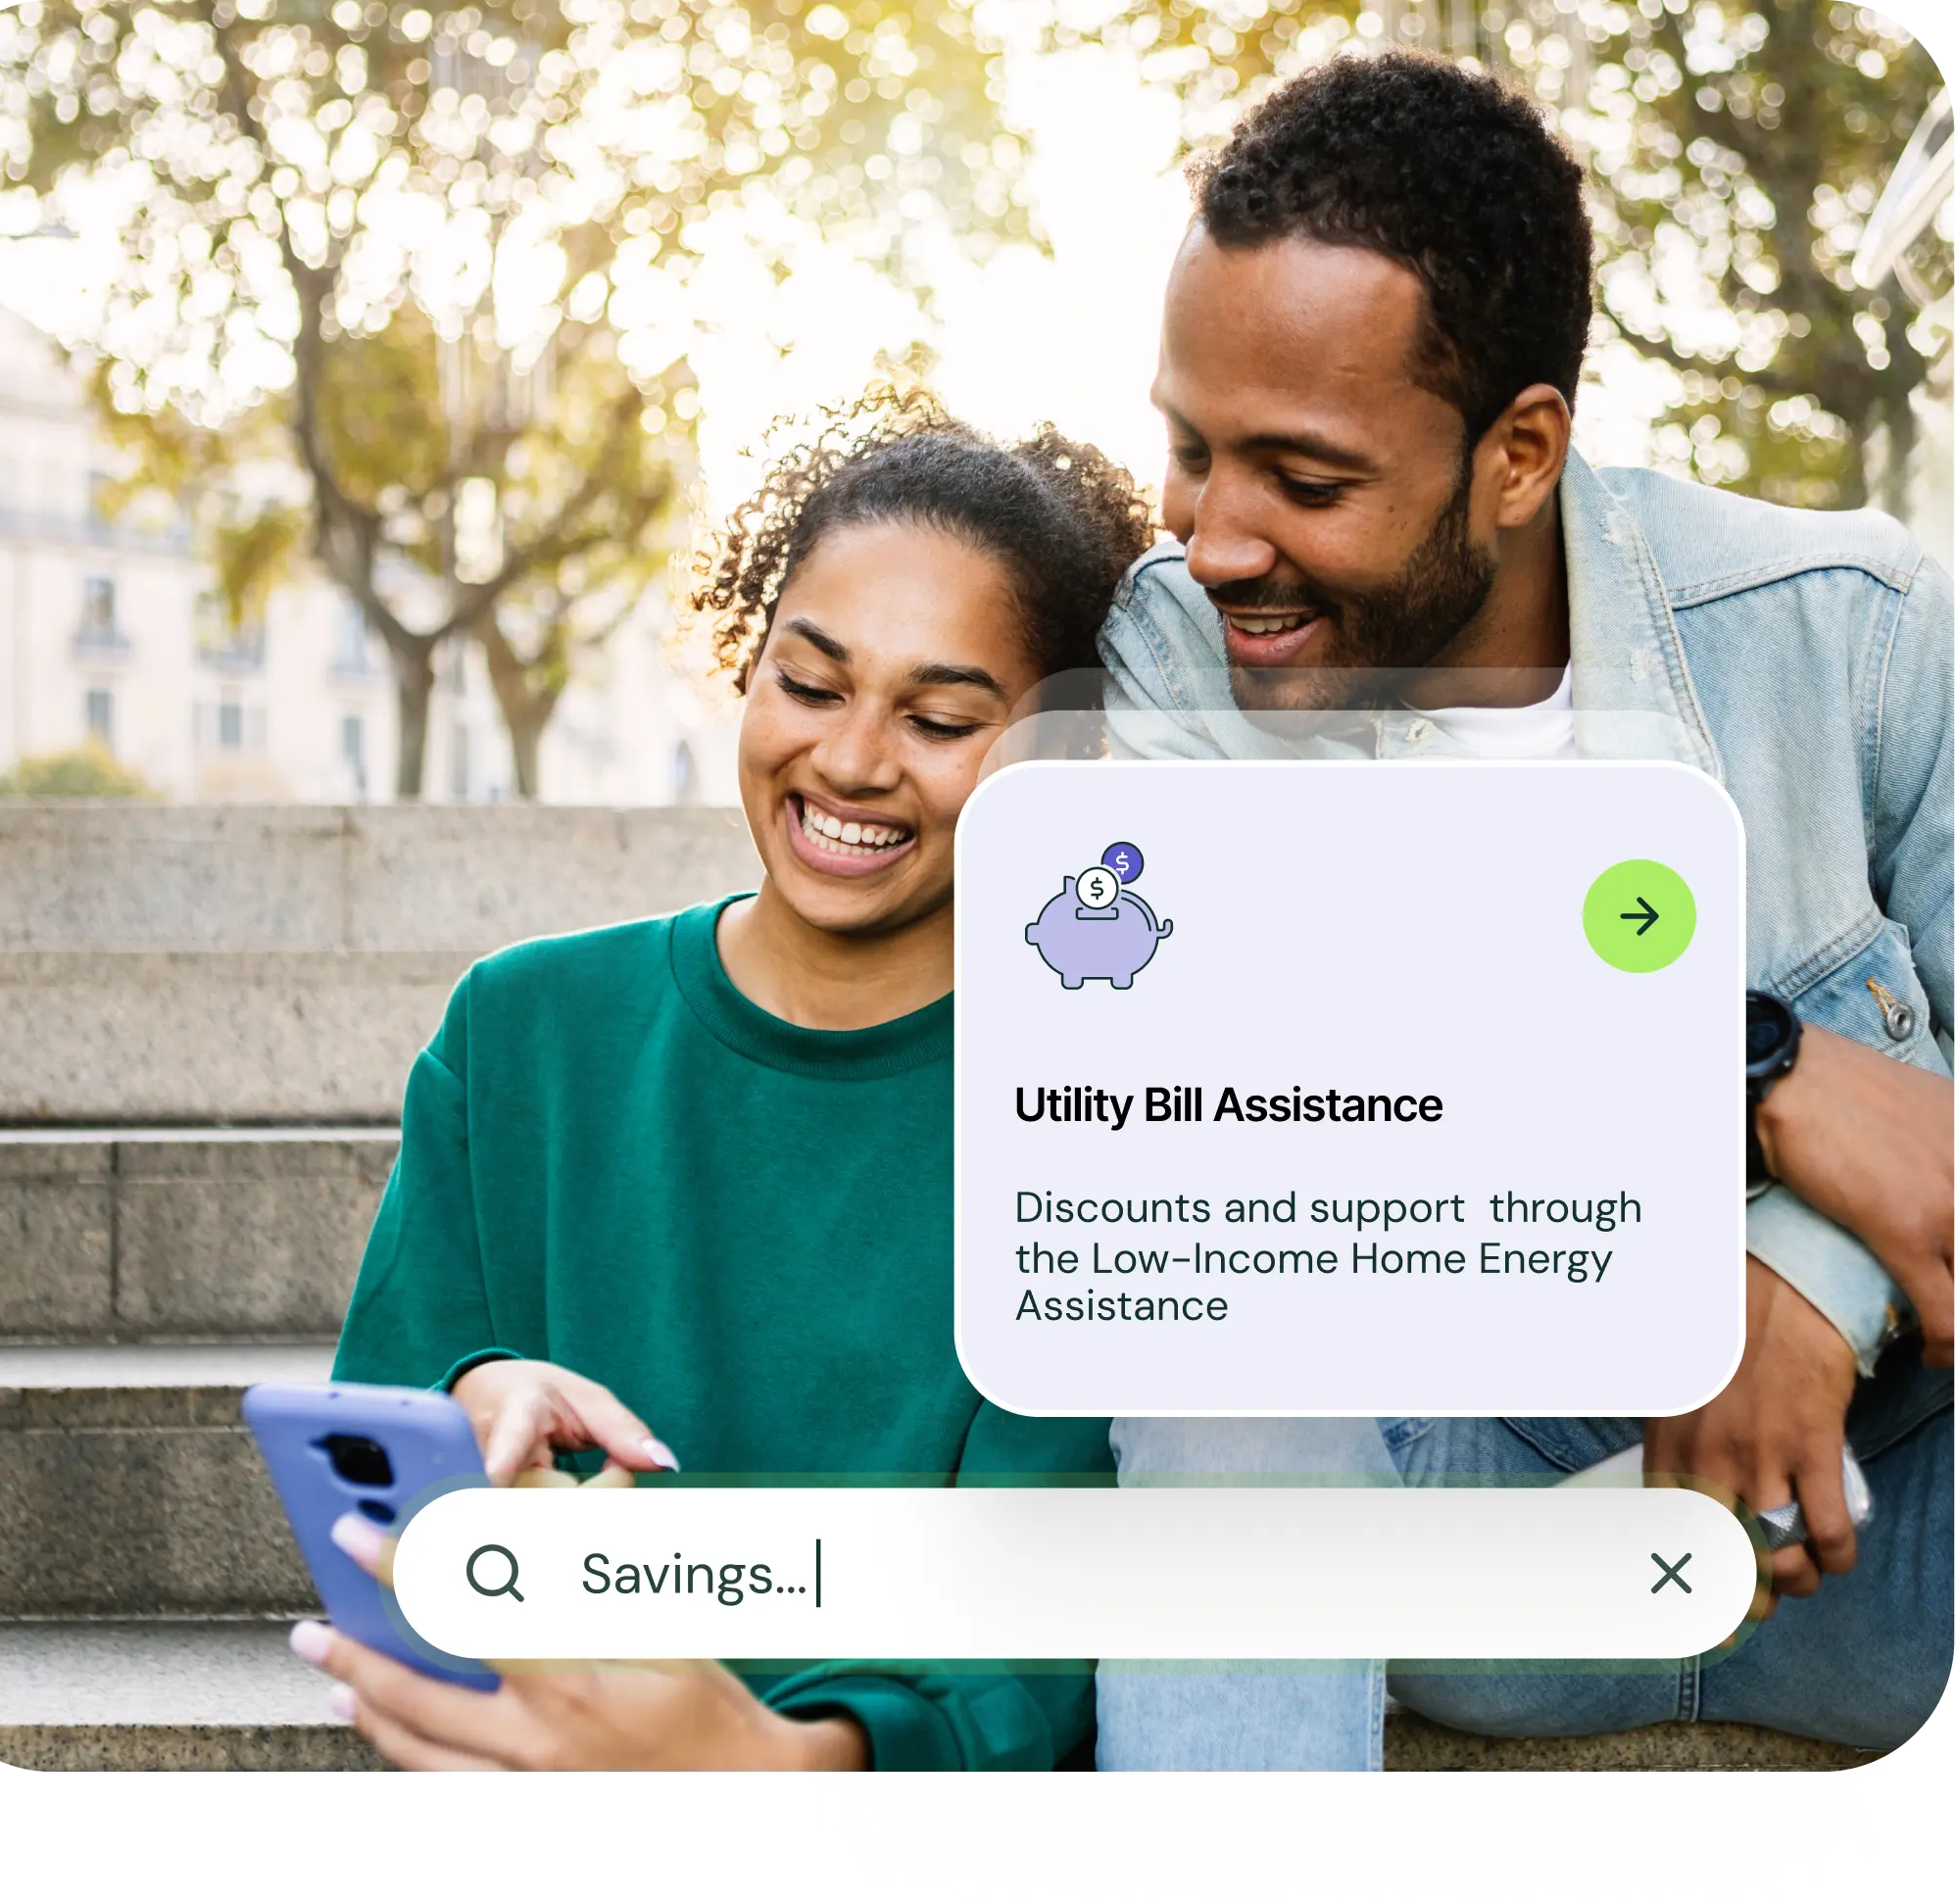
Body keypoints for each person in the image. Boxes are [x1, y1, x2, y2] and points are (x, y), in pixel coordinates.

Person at [1093, 52, 1955, 1770]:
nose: (1215, 538)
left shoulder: (1848, 629)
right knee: (1210, 1334)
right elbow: (1215, 1097)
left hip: (1892, 1504)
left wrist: (1794, 1270)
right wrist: (1757, 1065)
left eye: (1305, 480)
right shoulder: (1172, 648)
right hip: (1471, 1518)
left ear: (1520, 452)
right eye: (1190, 451)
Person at [290, 388, 1154, 1771]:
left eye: (938, 717)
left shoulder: (1107, 1117)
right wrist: (468, 1411)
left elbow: (1034, 1634)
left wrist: (775, 1755)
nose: (852, 760)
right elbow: (377, 1450)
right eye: (810, 684)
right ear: (749, 666)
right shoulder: (518, 1032)